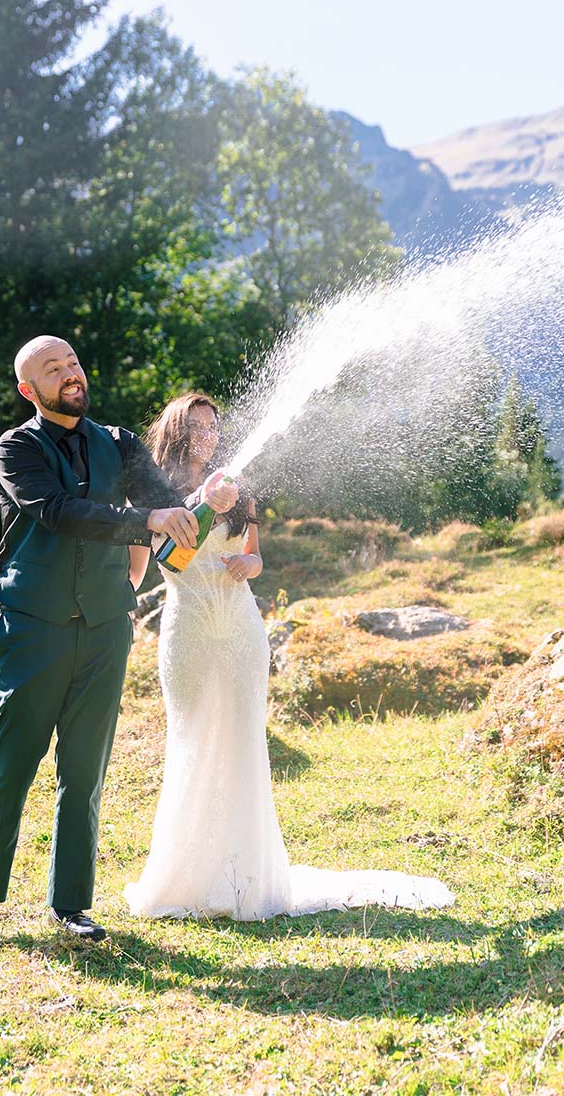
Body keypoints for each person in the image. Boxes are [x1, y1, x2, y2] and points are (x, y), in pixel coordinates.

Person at [124, 392, 454, 920]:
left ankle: (246, 878)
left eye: (214, 427)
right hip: (187, 629)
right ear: (175, 430)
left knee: (242, 741)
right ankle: (185, 878)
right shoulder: (153, 494)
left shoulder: (237, 487)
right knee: (190, 738)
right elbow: (162, 563)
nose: (208, 436)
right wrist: (202, 506)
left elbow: (256, 556)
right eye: (198, 426)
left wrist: (247, 566)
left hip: (240, 628)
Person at [0, 341, 239, 957]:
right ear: (29, 390)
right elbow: (59, 512)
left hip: (108, 625)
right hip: (33, 626)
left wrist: (204, 502)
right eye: (51, 370)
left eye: (73, 363)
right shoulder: (18, 449)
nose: (70, 375)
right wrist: (149, 522)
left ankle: (71, 905)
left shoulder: (118, 442)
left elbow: (164, 503)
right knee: (12, 765)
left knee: (84, 770)